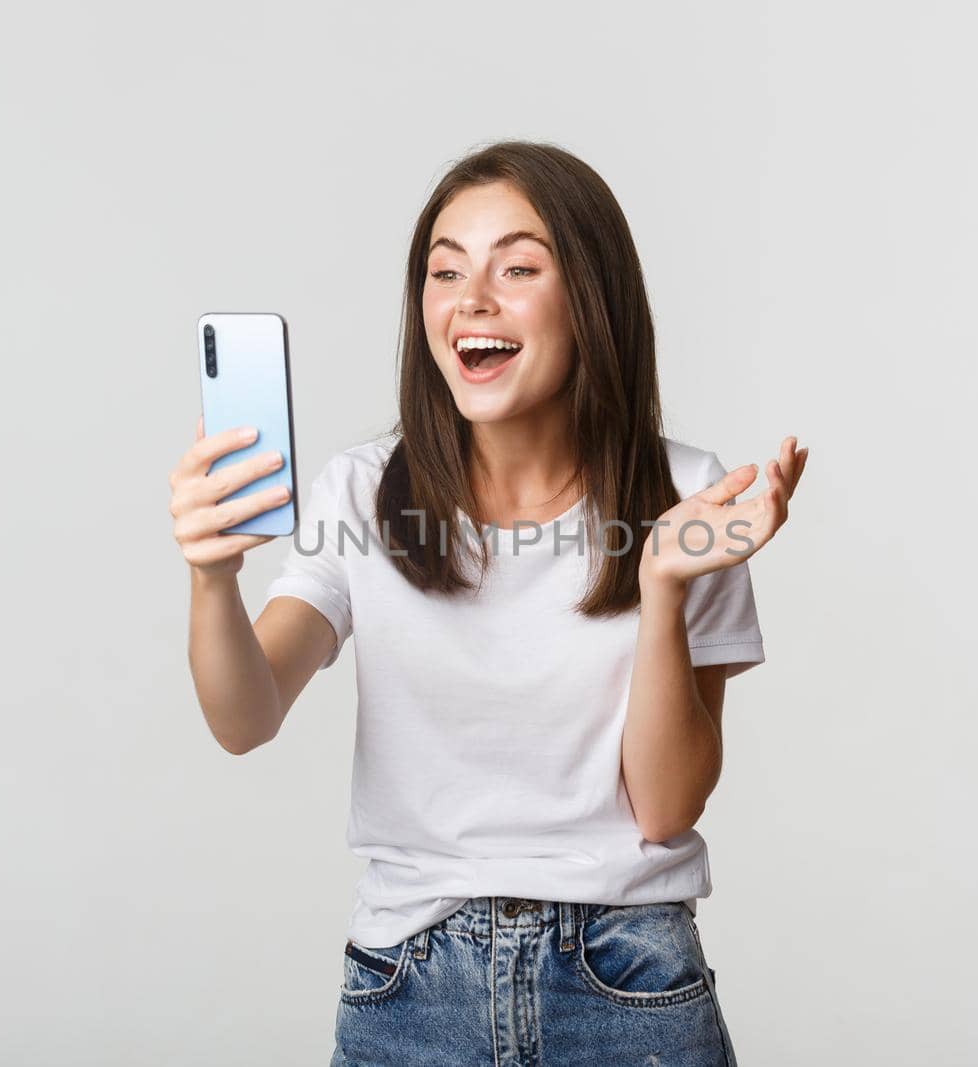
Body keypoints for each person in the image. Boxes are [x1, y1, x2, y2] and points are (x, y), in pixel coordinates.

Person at [168, 140, 808, 1066]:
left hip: (625, 982)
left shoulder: (687, 492)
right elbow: (244, 715)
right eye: (445, 270)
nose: (472, 299)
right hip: (410, 988)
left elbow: (665, 807)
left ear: (590, 296)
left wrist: (663, 586)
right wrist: (211, 576)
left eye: (517, 266)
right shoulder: (360, 493)